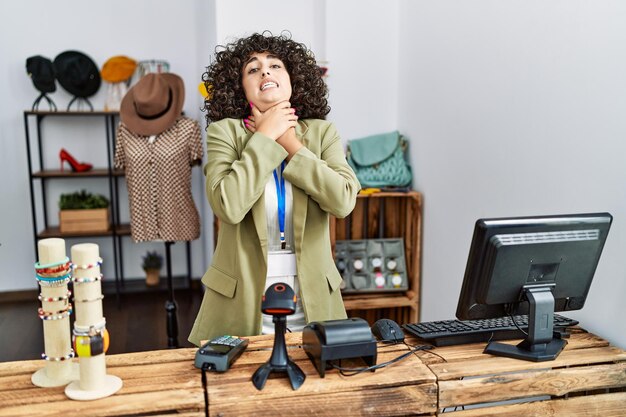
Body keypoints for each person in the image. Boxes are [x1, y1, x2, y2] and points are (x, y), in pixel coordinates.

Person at [189, 32, 360, 345]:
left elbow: (343, 200)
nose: (265, 72)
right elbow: (228, 205)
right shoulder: (223, 133)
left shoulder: (323, 134)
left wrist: (290, 143)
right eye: (253, 69)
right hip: (240, 302)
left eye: (275, 65)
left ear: (293, 78)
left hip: (314, 302)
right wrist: (264, 138)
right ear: (240, 88)